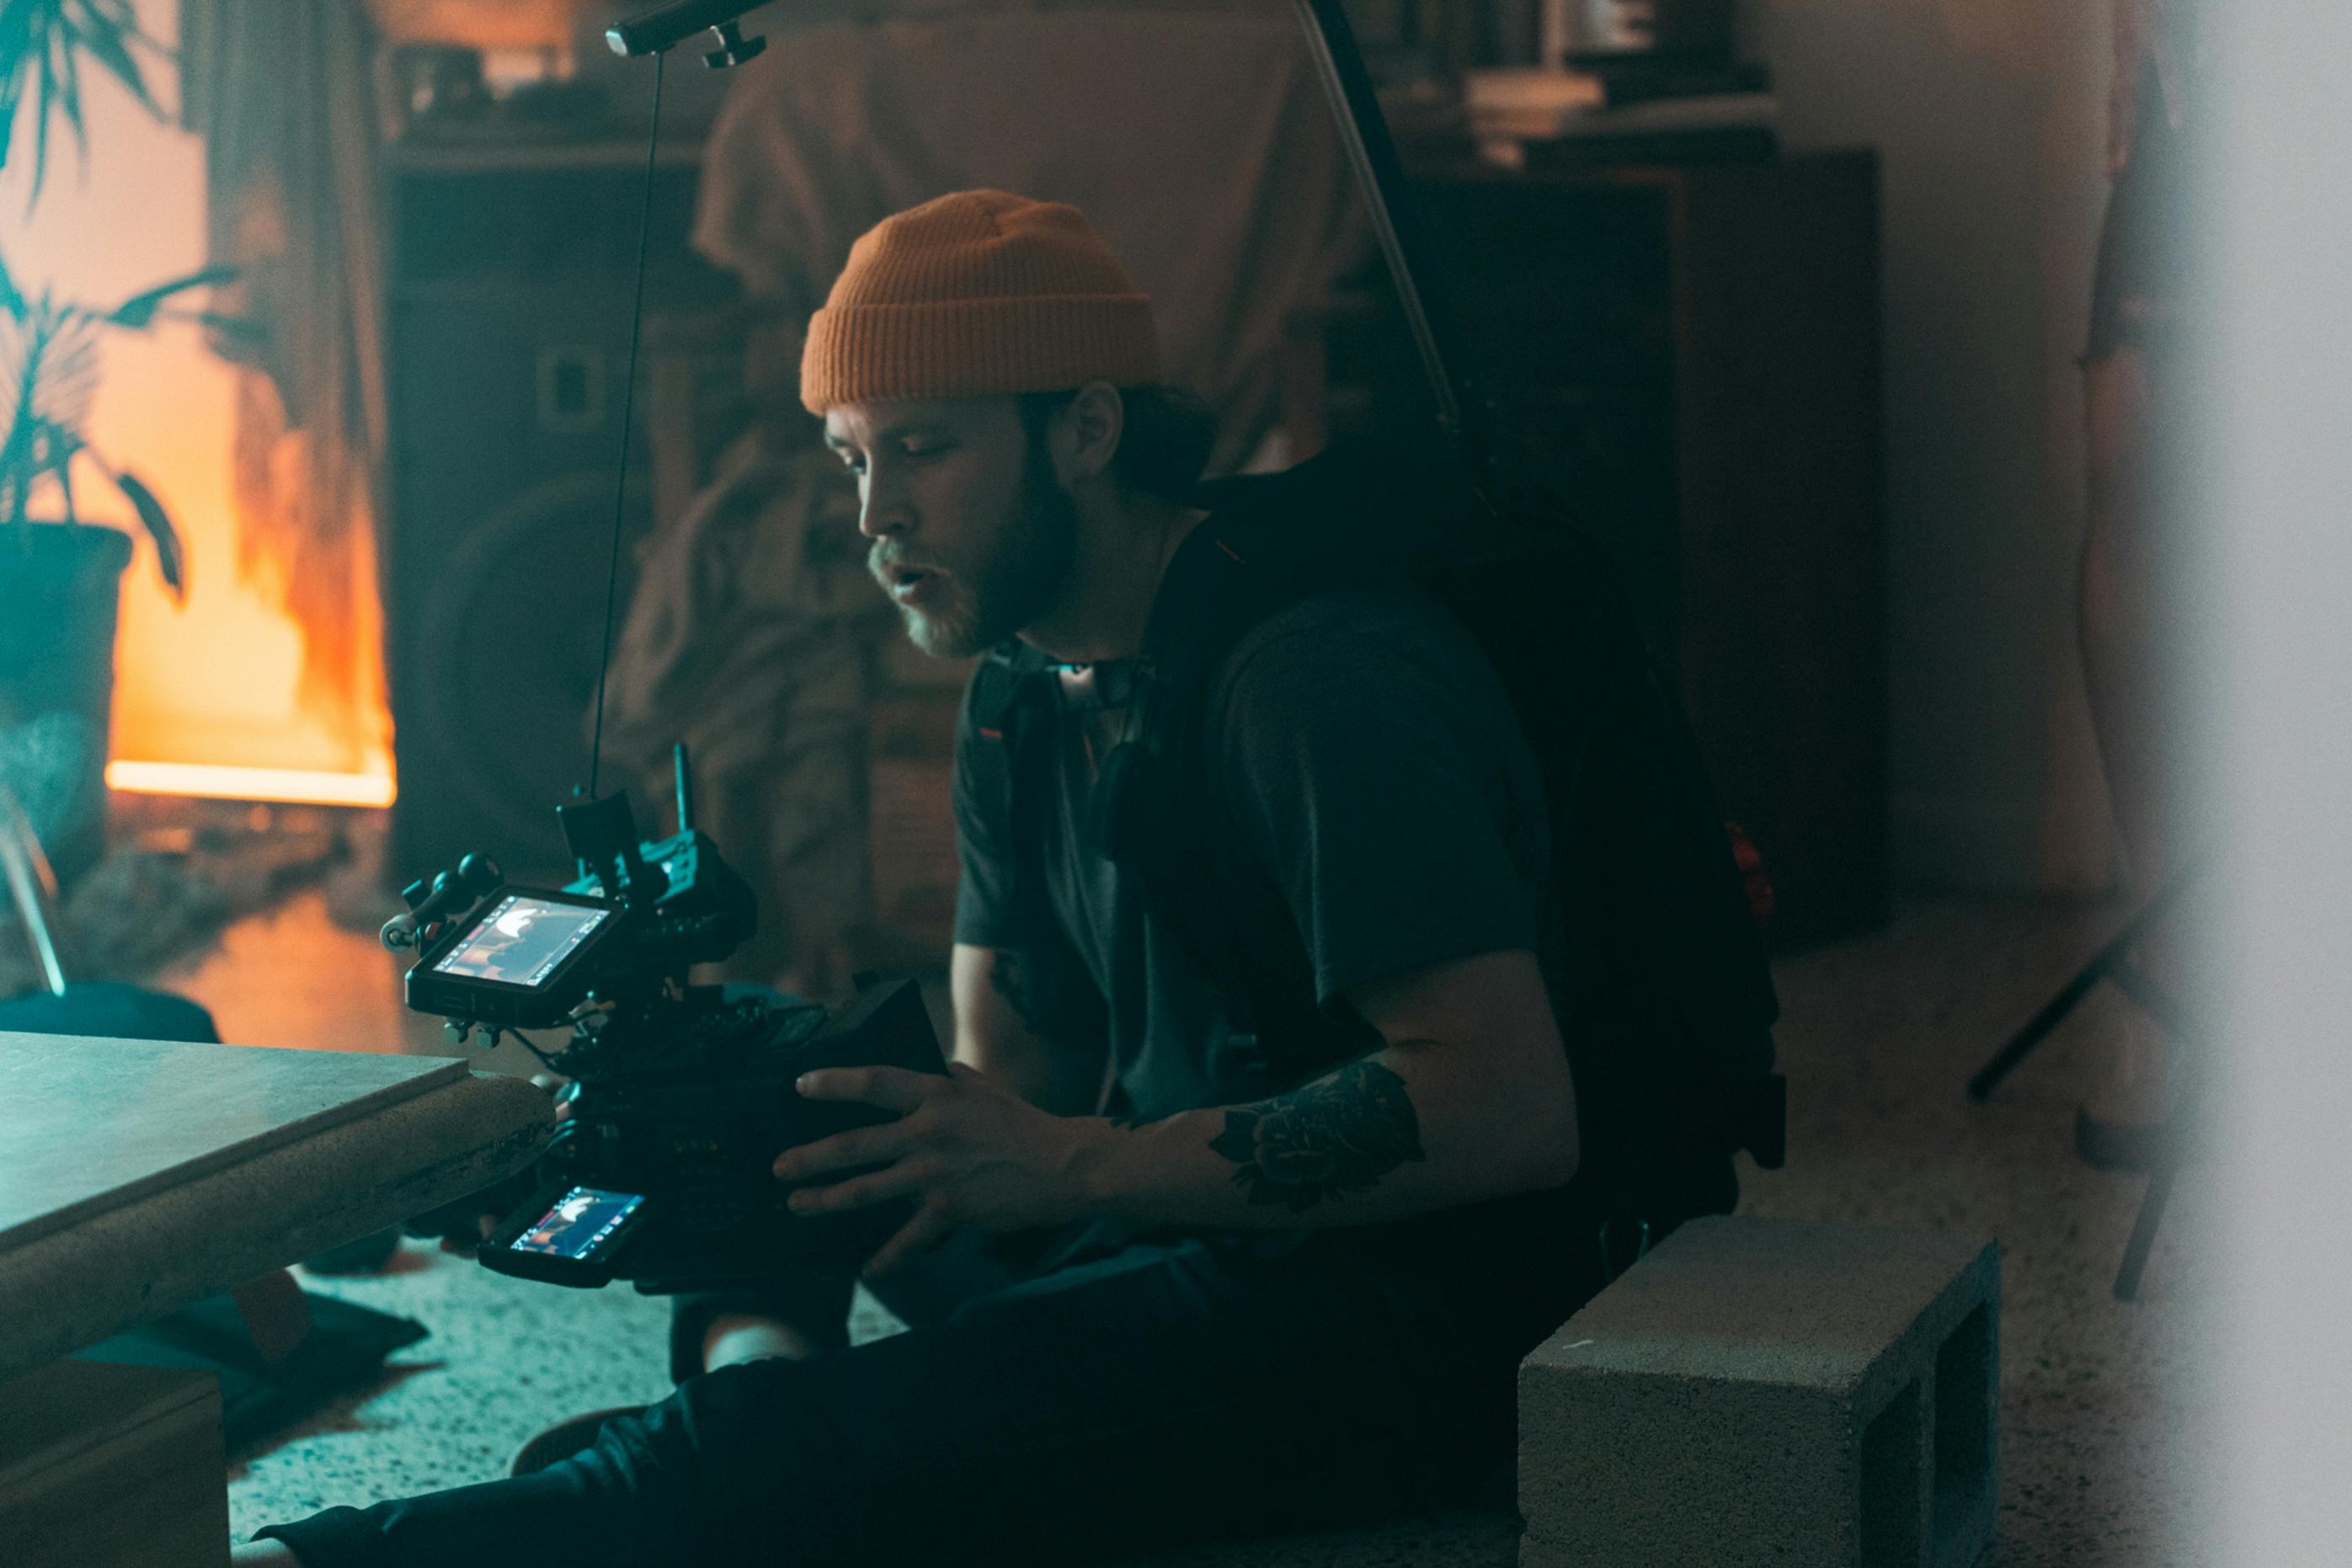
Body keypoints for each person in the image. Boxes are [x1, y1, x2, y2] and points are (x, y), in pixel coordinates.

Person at [237, 190, 1749, 1566]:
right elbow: (1000, 1087)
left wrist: (1070, 1167)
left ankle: (348, 1550)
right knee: (784, 1093)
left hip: (1393, 1303)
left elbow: (1505, 1107)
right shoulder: (1022, 690)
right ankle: (771, 1394)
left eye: (926, 448)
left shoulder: (1312, 684)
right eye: (853, 457)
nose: (873, 514)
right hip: (1168, 1221)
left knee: (775, 1456)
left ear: (1086, 430)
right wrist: (777, 1141)